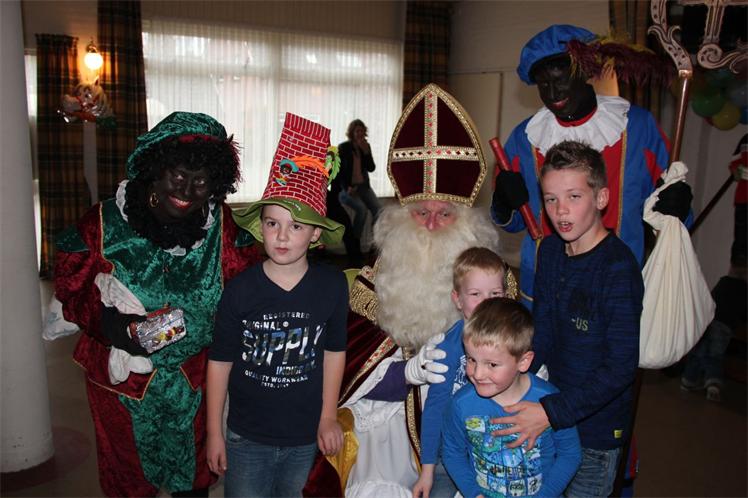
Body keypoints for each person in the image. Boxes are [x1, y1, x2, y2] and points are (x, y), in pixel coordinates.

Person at [303, 84, 502, 497]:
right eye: (420, 212)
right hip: (391, 427)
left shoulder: (495, 285)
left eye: (445, 214)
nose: (430, 224)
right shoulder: (379, 277)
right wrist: (405, 375)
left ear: (466, 221)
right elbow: (352, 364)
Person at [49, 112, 262, 497]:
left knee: (192, 480)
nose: (188, 190)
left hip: (192, 382)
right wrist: (114, 327)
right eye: (178, 175)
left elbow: (250, 284)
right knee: (128, 482)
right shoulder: (104, 222)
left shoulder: (221, 226)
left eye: (202, 181)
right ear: (155, 169)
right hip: (120, 388)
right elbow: (69, 285)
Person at [491, 24, 692, 310]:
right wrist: (503, 201)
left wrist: (677, 206)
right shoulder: (525, 138)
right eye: (543, 85)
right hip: (545, 287)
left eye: (561, 80)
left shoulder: (638, 127)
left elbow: (670, 215)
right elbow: (513, 223)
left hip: (615, 285)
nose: (553, 93)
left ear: (585, 72)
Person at [492, 141, 644, 498]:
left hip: (595, 433)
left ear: (601, 198)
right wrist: (511, 379)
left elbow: (621, 368)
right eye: (551, 199)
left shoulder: (618, 268)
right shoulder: (550, 251)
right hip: (550, 412)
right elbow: (543, 332)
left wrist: (550, 412)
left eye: (574, 197)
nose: (561, 211)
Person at [208, 113, 348, 498]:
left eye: (296, 226)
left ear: (316, 233)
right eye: (273, 223)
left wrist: (328, 416)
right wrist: (214, 432)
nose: (282, 236)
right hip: (246, 437)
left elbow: (335, 351)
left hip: (305, 435)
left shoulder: (332, 286)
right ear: (261, 226)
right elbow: (219, 363)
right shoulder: (239, 291)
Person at [442, 297, 582, 498]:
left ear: (523, 362)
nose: (477, 374)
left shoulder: (550, 402)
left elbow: (570, 454)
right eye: (472, 359)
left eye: (492, 364)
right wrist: (473, 494)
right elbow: (452, 453)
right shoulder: (461, 404)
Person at [414, 247, 511, 498]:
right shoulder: (448, 346)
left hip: (498, 452)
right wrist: (427, 470)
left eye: (495, 293)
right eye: (475, 294)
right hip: (451, 452)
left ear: (505, 295)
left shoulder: (514, 342)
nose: (486, 302)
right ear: (457, 299)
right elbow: (435, 408)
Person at [681, 134, 748, 402]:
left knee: (710, 343)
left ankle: (702, 379)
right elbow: (736, 166)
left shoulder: (727, 286)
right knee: (711, 343)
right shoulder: (730, 285)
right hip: (716, 320)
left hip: (717, 320)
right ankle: (705, 380)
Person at [337, 119, 382, 252]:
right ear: (352, 132)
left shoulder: (366, 146)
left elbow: (371, 168)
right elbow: (339, 172)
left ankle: (375, 242)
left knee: (378, 210)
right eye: (357, 131)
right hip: (346, 189)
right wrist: (347, 188)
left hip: (363, 187)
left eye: (362, 131)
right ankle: (355, 243)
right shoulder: (343, 147)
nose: (360, 133)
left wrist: (366, 152)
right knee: (362, 210)